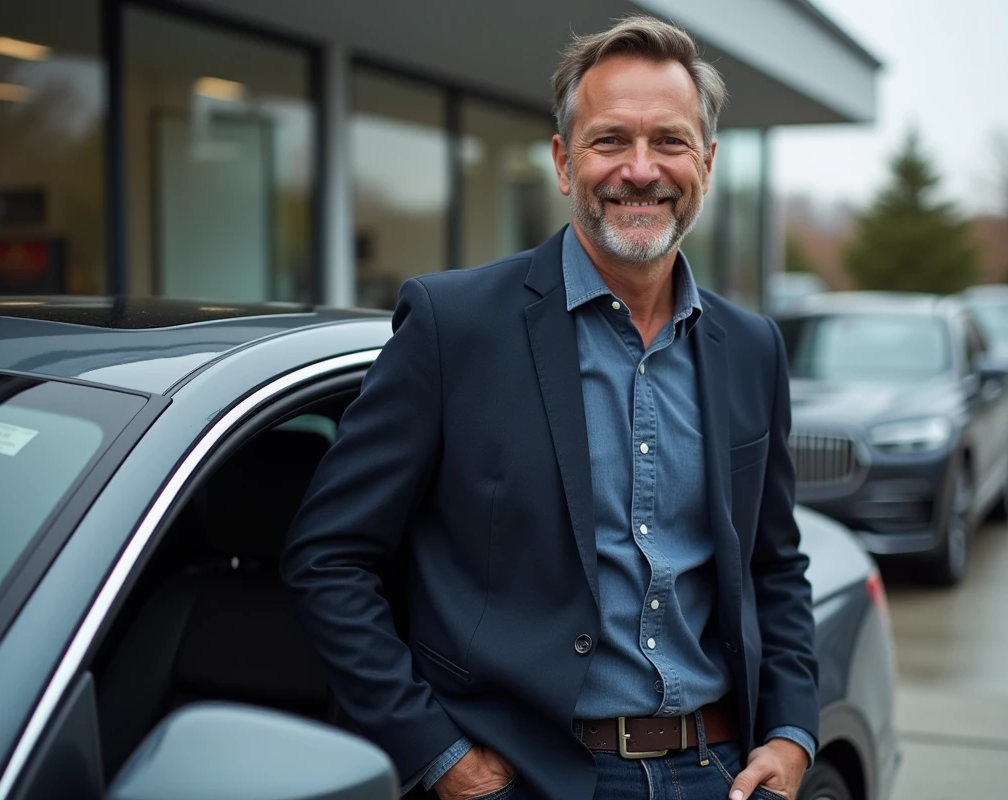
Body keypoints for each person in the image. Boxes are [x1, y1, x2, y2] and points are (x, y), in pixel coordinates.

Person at [282, 15, 818, 800]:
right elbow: (327, 557)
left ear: (705, 162)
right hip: (526, 777)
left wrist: (793, 731)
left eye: (668, 142)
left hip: (720, 771)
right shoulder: (451, 326)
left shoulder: (753, 347)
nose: (641, 170)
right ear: (565, 163)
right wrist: (442, 760)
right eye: (609, 141)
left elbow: (774, 565)